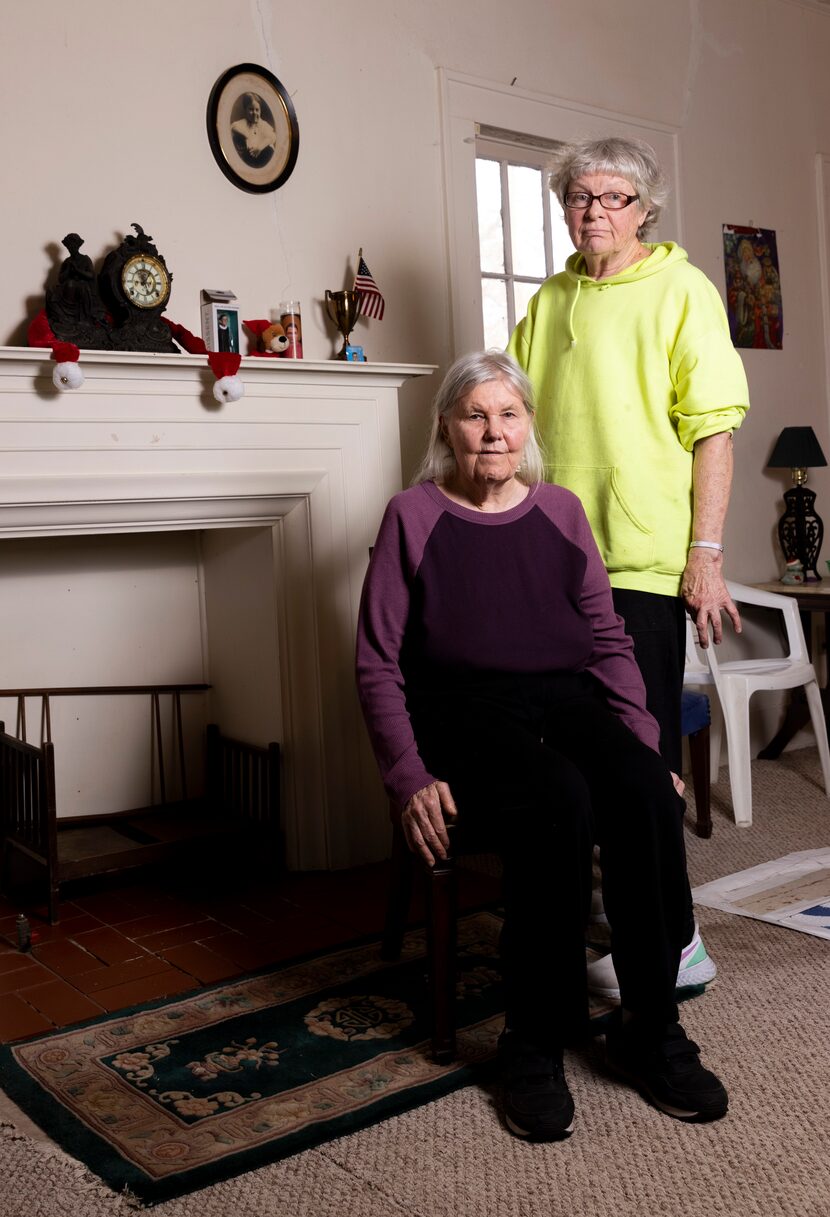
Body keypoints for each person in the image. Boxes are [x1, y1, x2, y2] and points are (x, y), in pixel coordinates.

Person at [356, 350, 728, 1141]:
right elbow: (378, 659)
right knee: (559, 798)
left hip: (565, 697)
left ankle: (650, 1029)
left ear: (528, 428)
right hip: (460, 713)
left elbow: (605, 636)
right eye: (475, 415)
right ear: (447, 428)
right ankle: (535, 1039)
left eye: (508, 415)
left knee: (638, 788)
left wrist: (646, 742)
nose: (493, 432)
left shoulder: (560, 511)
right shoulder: (411, 516)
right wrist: (408, 773)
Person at [506, 137, 750, 999]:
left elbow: (713, 429)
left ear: (645, 208)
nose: (593, 211)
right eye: (578, 197)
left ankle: (678, 942)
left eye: (613, 197)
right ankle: (596, 923)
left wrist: (706, 554)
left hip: (644, 564)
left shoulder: (684, 291)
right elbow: (515, 425)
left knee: (640, 765)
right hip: (553, 568)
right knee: (568, 758)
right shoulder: (550, 301)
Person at [230, 92, 277, 167]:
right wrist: (246, 136)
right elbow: (233, 127)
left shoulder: (263, 124)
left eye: (257, 110)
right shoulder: (243, 123)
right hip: (249, 157)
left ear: (260, 110)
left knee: (269, 150)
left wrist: (259, 147)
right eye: (251, 109)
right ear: (245, 110)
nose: (255, 113)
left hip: (262, 155)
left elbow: (272, 137)